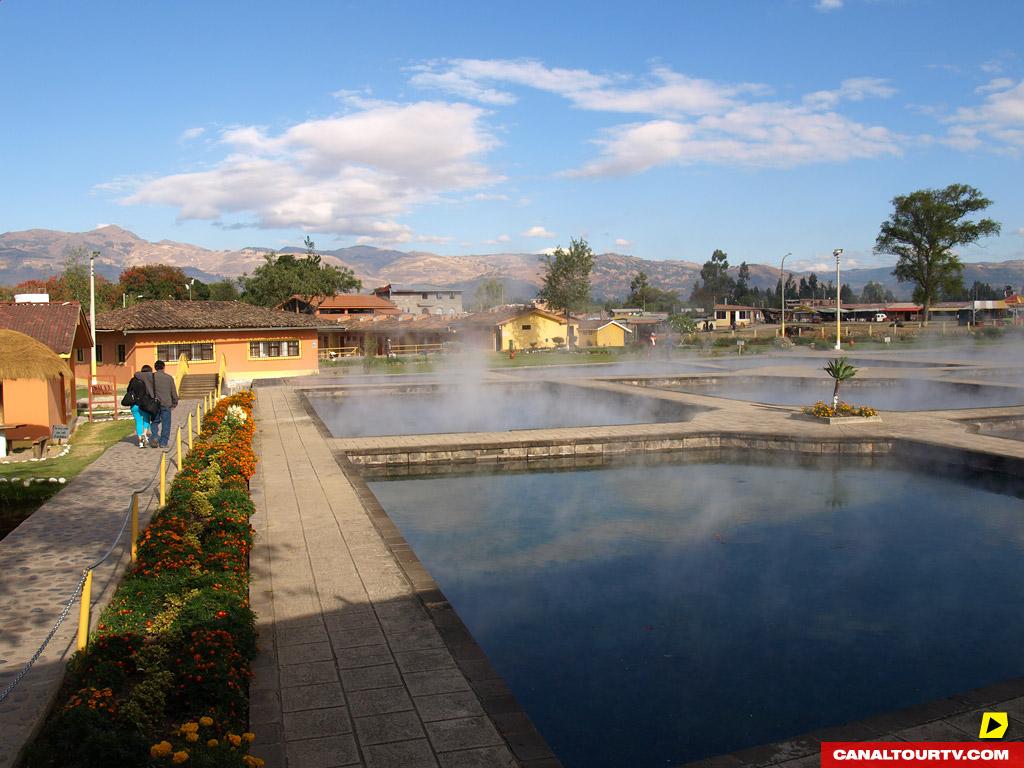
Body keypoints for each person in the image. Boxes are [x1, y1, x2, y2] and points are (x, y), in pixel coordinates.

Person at [125, 365, 156, 448]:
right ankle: (144, 434)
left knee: (138, 421)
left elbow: (128, 390)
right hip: (144, 404)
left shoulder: (133, 380)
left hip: (134, 404)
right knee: (146, 419)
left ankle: (140, 441)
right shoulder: (148, 380)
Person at [150, 359, 179, 449]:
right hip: (166, 403)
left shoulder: (151, 377)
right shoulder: (169, 378)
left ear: (155, 368)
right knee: (166, 423)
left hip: (154, 404)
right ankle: (163, 442)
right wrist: (175, 402)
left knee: (154, 421)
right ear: (163, 367)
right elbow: (173, 391)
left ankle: (155, 435)